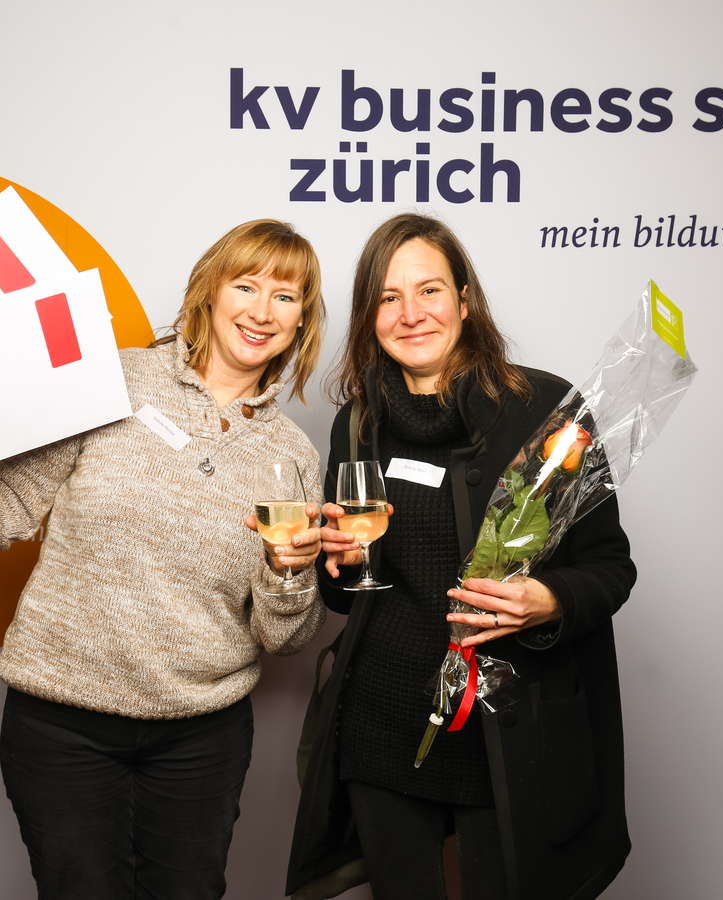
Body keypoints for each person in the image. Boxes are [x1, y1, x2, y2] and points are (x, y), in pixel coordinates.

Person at [0, 219, 329, 900]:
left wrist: (288, 572)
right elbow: (5, 508)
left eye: (285, 297)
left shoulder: (293, 455)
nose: (262, 311)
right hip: (63, 727)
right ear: (209, 290)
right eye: (246, 285)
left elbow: (283, 636)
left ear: (301, 322)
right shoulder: (111, 379)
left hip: (201, 740)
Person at [287, 214, 637, 900]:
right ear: (368, 316)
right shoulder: (357, 425)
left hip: (504, 732)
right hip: (383, 724)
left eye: (430, 290)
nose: (411, 313)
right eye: (388, 297)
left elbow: (611, 566)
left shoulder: (545, 409)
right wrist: (336, 565)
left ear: (465, 300)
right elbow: (345, 597)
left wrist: (549, 601)